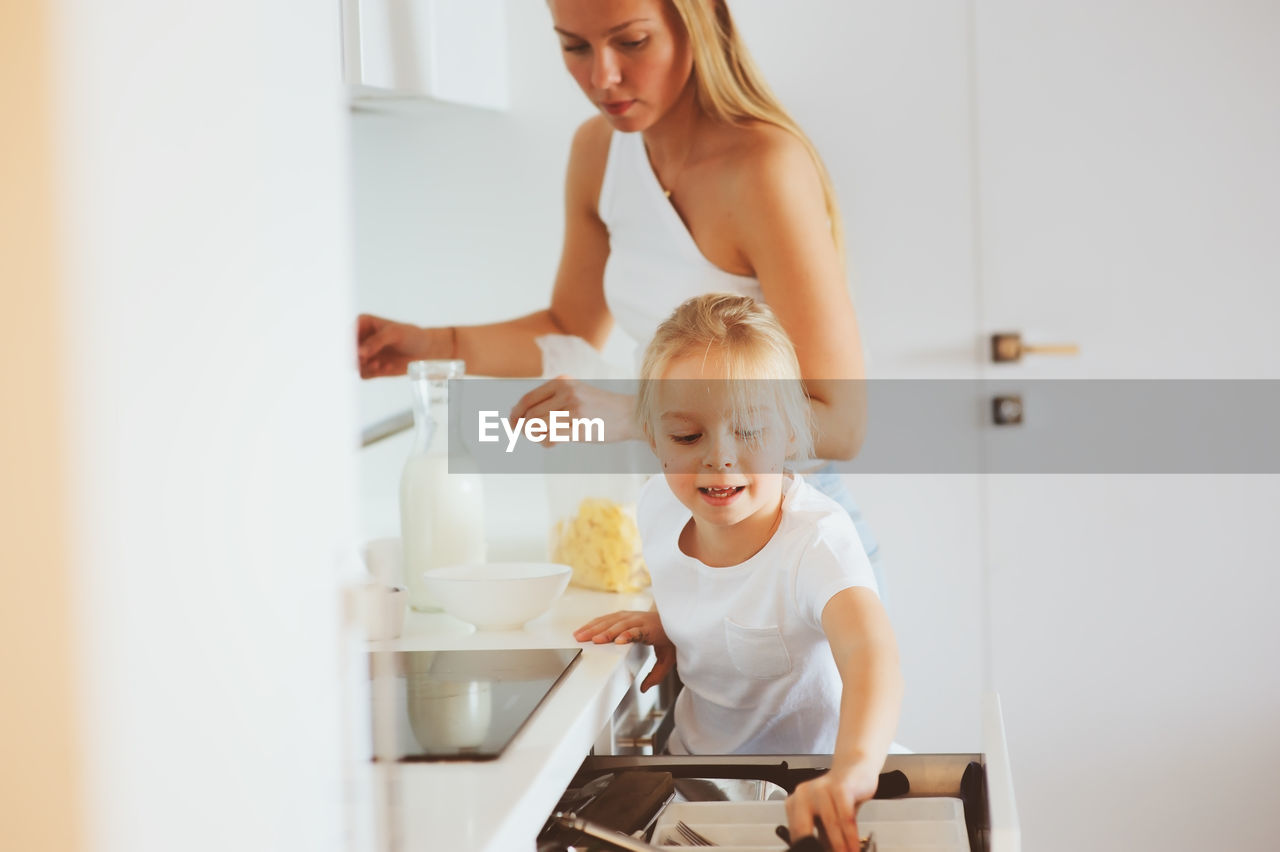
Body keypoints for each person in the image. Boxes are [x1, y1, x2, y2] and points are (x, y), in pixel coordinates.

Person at [355, 0, 884, 589]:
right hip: (690, 539)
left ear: (697, 22)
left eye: (631, 42)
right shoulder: (600, 151)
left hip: (792, 544)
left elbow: (843, 423)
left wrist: (638, 413)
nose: (602, 76)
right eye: (574, 47)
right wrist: (432, 343)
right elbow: (569, 327)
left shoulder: (763, 168)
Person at [575, 294, 901, 852]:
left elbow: (872, 654)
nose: (719, 457)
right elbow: (716, 594)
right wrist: (671, 621)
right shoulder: (659, 507)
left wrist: (851, 773)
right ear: (653, 439)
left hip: (802, 791)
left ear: (793, 434)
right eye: (686, 437)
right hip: (693, 780)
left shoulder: (815, 540)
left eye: (748, 432)